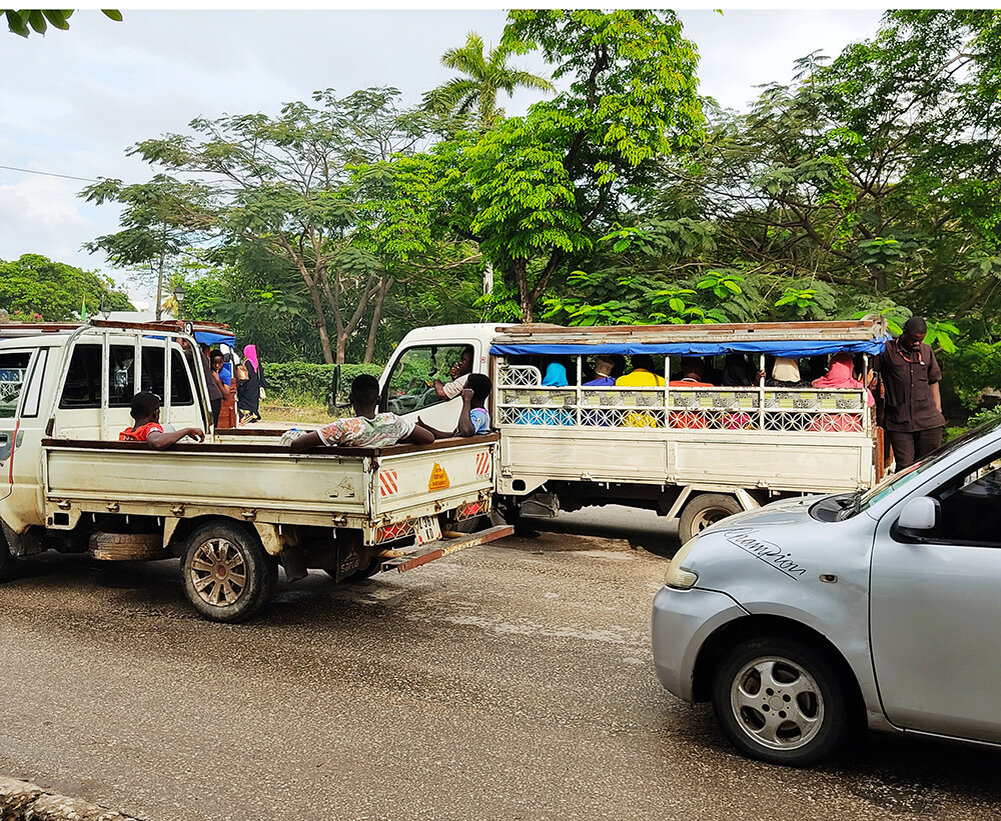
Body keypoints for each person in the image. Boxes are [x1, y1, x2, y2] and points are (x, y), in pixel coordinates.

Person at [873, 316, 946, 469]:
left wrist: (938, 410)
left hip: (928, 421)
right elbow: (870, 374)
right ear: (904, 334)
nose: (917, 343)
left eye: (920, 340)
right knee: (905, 466)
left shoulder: (926, 351)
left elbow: (933, 380)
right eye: (914, 339)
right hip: (899, 421)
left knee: (927, 465)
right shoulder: (887, 350)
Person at [289, 374, 434, 451]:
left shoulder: (343, 427)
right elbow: (428, 438)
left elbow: (297, 444)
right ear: (378, 399)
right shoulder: (393, 421)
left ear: (351, 398)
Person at [119, 391, 204, 449]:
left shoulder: (126, 434)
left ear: (132, 415)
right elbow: (157, 441)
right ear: (155, 413)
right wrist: (187, 430)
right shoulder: (149, 428)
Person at [419, 374, 493, 438]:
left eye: (464, 387)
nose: (462, 391)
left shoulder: (479, 413)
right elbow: (453, 436)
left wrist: (466, 401)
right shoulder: (470, 414)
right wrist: (426, 428)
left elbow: (466, 431)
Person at [238, 344, 266, 424]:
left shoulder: (247, 362)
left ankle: (247, 413)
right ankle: (254, 414)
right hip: (255, 385)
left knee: (244, 398)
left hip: (248, 385)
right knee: (254, 400)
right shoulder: (257, 362)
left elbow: (246, 375)